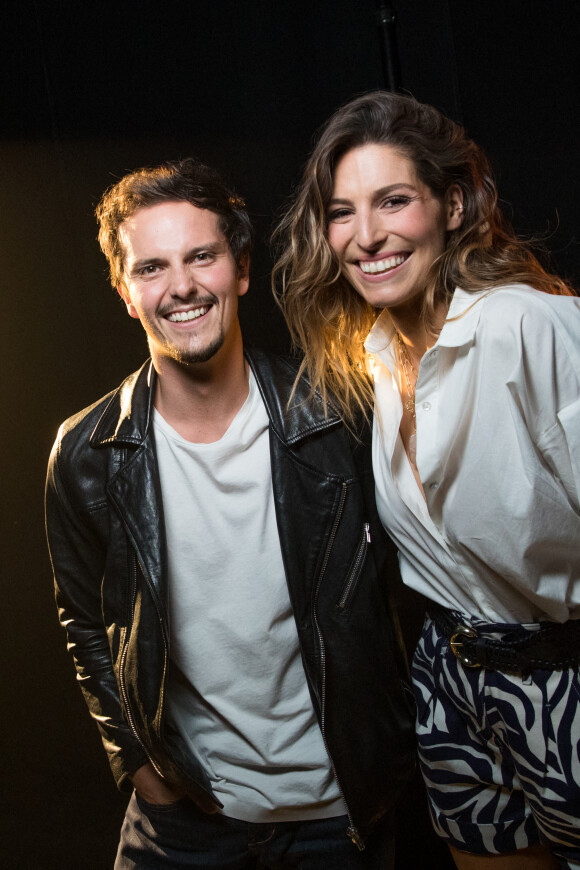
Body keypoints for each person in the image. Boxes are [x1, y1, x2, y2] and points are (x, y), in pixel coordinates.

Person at [45, 157, 416, 869]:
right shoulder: (86, 452)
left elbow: (408, 587)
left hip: (339, 819)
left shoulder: (339, 416)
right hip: (185, 822)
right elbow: (84, 621)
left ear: (240, 269)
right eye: (151, 268)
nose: (181, 285)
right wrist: (145, 775)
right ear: (125, 291)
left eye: (201, 257)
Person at [272, 92, 580, 870]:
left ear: (452, 204)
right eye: (342, 212)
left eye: (393, 201)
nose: (366, 235)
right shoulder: (375, 355)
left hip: (563, 677)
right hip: (452, 677)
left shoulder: (529, 326)